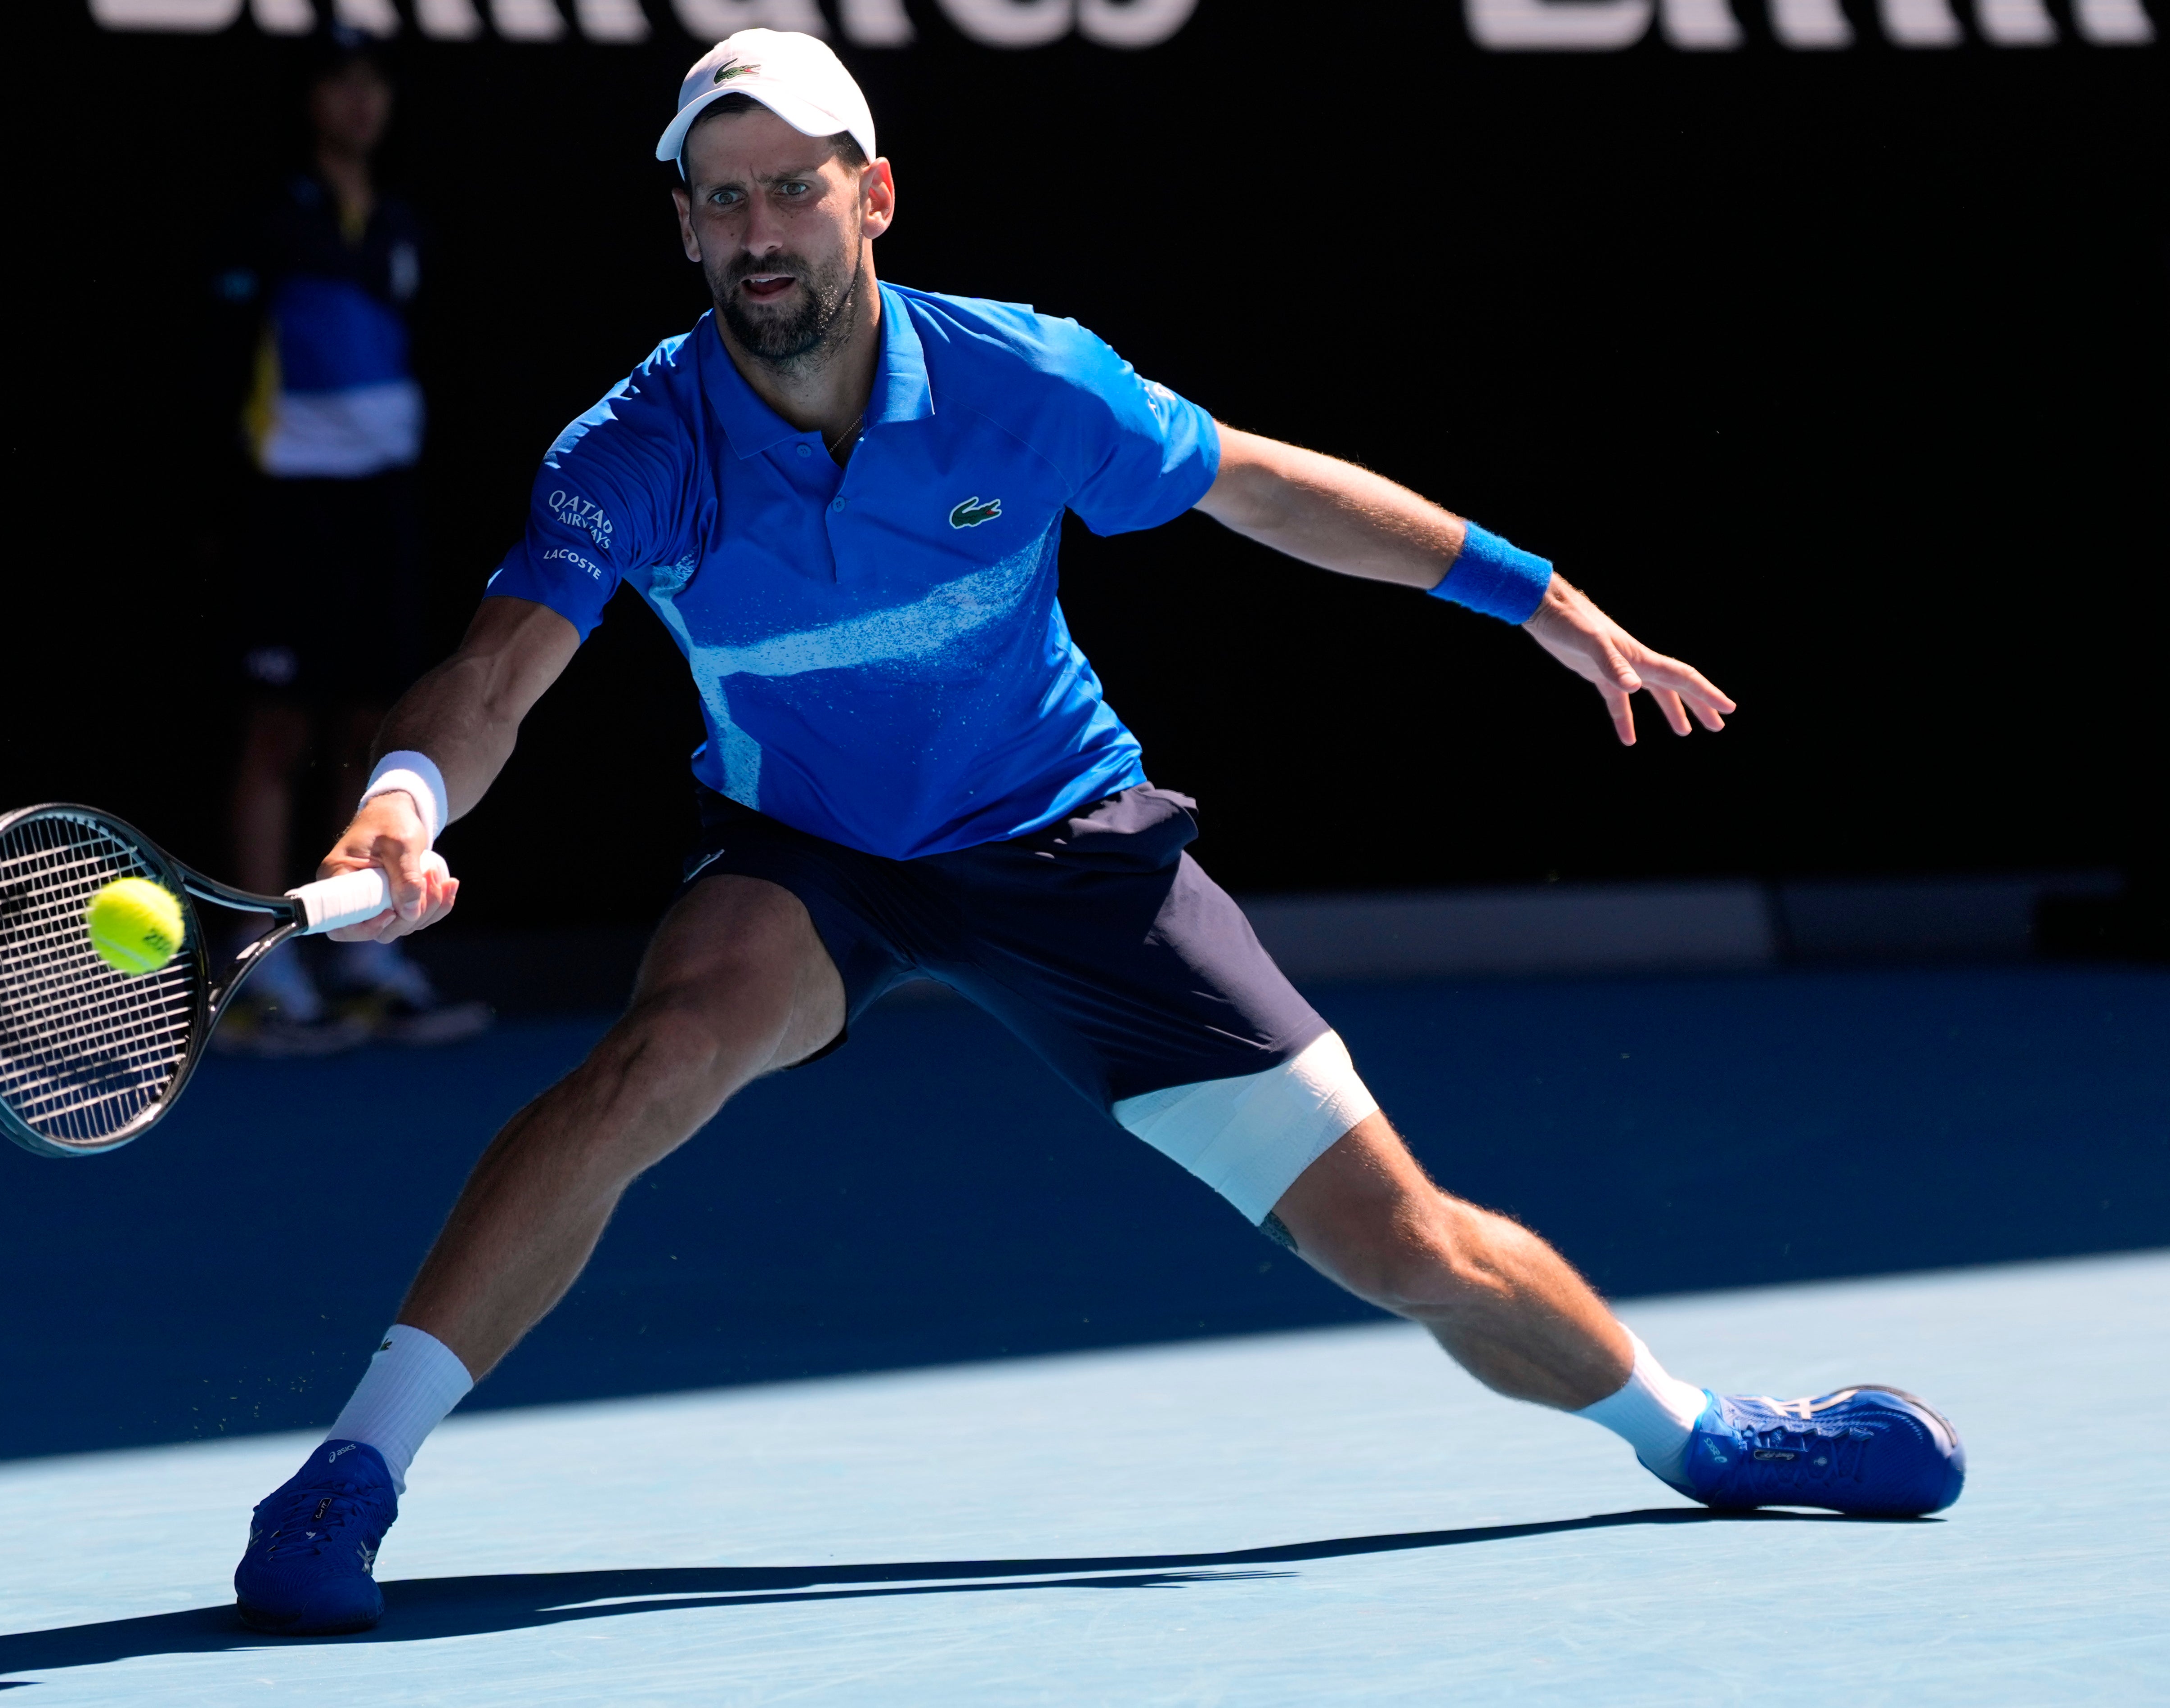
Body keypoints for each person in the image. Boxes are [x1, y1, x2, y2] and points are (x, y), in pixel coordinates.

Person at [231, 31, 1964, 1636]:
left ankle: (1705, 1432)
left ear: (872, 194)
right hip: (810, 854)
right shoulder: (637, 444)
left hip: (1064, 840)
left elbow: (1263, 483)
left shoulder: (1021, 378)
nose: (761, 229)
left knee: (1405, 1240)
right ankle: (349, 1471)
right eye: (724, 196)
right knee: (650, 1062)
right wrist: (402, 804)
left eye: (794, 186)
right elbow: (492, 672)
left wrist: (1534, 597)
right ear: (684, 227)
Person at [208, 29, 484, 1053]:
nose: (360, 104)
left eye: (375, 85)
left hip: (384, 504)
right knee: (277, 730)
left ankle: (364, 949)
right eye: (341, 84)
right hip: (287, 503)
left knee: (374, 730)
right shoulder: (268, 222)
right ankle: (263, 963)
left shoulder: (406, 225)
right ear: (312, 101)